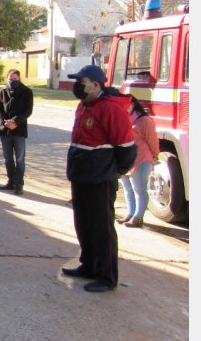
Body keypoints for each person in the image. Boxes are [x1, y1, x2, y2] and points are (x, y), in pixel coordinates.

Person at [62, 65, 137, 293]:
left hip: (99, 178)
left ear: (95, 85)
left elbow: (126, 148)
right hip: (82, 175)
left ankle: (107, 276)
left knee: (101, 228)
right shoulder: (84, 105)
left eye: (81, 82)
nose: (77, 86)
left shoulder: (111, 109)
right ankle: (89, 265)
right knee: (83, 224)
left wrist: (115, 171)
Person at [118, 94, 160, 228]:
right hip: (124, 160)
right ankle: (131, 213)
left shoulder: (144, 120)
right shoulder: (121, 118)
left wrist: (155, 155)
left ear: (132, 104)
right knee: (127, 188)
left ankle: (138, 217)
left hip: (141, 159)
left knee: (139, 189)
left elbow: (153, 141)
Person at [0, 69, 34, 195]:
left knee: (20, 159)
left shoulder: (27, 92)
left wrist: (15, 122)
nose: (13, 81)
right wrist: (5, 121)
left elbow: (28, 111)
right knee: (8, 159)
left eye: (15, 79)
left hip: (19, 130)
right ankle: (11, 181)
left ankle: (19, 184)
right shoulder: (2, 91)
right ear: (7, 78)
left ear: (19, 79)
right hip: (5, 129)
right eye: (11, 79)